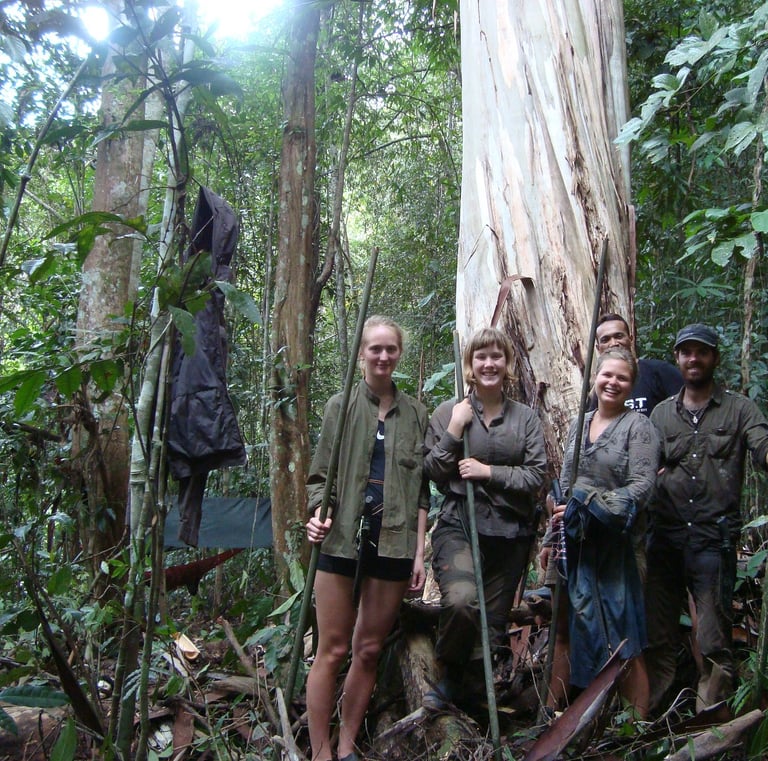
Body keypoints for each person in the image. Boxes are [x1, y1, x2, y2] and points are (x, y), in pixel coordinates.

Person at [304, 316, 430, 761]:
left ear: (398, 354)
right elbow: (319, 478)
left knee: (369, 648)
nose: (382, 356)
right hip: (339, 541)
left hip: (393, 542)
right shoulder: (340, 406)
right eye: (374, 349)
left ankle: (347, 744)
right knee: (332, 648)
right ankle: (320, 751)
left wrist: (419, 553)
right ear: (361, 355)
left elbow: (421, 492)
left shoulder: (416, 412)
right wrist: (318, 513)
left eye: (390, 349)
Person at [422, 327, 547, 710]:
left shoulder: (525, 419)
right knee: (461, 603)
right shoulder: (448, 412)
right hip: (461, 524)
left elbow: (536, 475)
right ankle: (450, 677)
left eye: (497, 356)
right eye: (481, 357)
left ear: (508, 363)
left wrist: (488, 472)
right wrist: (456, 428)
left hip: (510, 534)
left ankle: (476, 701)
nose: (489, 363)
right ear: (470, 365)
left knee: (492, 627)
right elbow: (432, 471)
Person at [645, 323, 768, 712]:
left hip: (712, 539)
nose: (693, 359)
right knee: (659, 636)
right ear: (677, 359)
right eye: (686, 352)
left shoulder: (739, 408)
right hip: (663, 538)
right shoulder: (662, 415)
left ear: (715, 357)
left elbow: (761, 444)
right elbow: (641, 469)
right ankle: (654, 723)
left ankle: (711, 725)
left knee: (714, 639)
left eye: (701, 352)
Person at [543, 348, 660, 718]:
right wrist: (552, 532)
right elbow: (564, 483)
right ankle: (552, 716)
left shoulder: (639, 427)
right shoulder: (581, 422)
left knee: (625, 637)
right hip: (573, 544)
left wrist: (594, 503)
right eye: (607, 374)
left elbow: (643, 486)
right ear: (595, 377)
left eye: (622, 378)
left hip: (616, 546)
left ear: (630, 384)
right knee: (565, 626)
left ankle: (634, 727)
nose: (612, 382)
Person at [593, 313, 682, 416]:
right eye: (605, 340)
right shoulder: (600, 385)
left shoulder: (659, 371)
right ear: (598, 348)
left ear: (631, 339)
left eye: (619, 336)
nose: (613, 343)